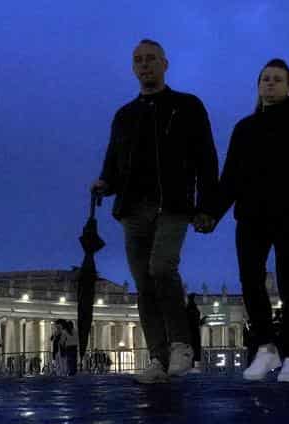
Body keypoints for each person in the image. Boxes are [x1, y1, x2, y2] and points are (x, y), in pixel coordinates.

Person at [93, 39, 220, 384]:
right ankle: (157, 358)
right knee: (143, 283)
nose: (145, 65)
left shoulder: (188, 106)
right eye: (138, 60)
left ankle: (180, 345)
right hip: (132, 208)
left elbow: (206, 158)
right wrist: (104, 182)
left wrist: (209, 206)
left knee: (162, 268)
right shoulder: (124, 115)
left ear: (165, 64)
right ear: (133, 68)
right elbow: (113, 161)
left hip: (174, 204)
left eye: (151, 59)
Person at [204, 58, 289, 383]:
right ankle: (265, 347)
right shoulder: (243, 128)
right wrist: (211, 213)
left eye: (277, 79)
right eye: (265, 79)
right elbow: (230, 177)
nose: (270, 83)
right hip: (251, 213)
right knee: (250, 280)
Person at [186, 293, 204, 372]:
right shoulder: (192, 309)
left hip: (192, 332)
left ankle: (192, 366)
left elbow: (196, 322)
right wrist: (201, 322)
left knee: (193, 349)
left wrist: (201, 321)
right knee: (194, 349)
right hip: (192, 332)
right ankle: (191, 366)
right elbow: (194, 321)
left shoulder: (189, 309)